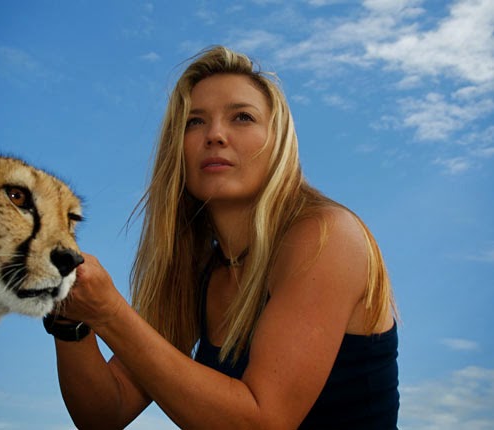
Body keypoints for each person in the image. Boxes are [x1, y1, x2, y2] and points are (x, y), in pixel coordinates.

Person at [43, 45, 399, 429]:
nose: (214, 134)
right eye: (194, 122)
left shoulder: (327, 235)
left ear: (278, 142)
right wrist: (69, 315)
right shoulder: (199, 269)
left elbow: (263, 421)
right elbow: (105, 413)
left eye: (242, 117)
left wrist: (110, 313)